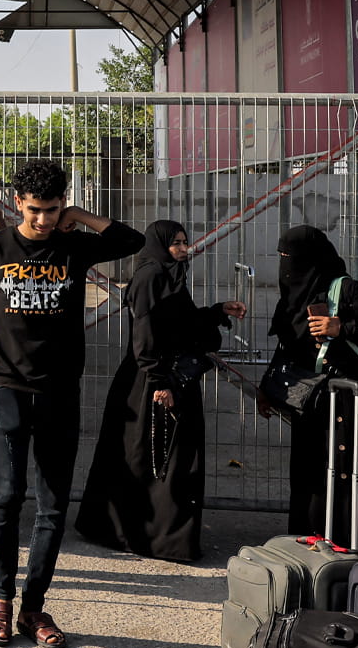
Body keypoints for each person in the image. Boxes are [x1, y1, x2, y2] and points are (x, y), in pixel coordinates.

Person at [0, 159, 144, 648]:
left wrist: (80, 215)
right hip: (5, 385)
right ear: (18, 203)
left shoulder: (73, 246)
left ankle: (33, 606)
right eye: (35, 210)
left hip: (60, 390)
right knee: (8, 495)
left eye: (52, 210)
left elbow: (132, 242)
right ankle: (1, 597)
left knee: (53, 505)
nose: (43, 220)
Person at [76, 221, 246, 563]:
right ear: (159, 245)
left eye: (185, 242)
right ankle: (149, 537)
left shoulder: (169, 277)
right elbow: (145, 337)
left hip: (165, 377)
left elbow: (177, 322)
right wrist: (160, 382)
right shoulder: (150, 277)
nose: (184, 249)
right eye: (176, 244)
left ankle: (158, 536)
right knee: (155, 459)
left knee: (163, 460)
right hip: (151, 382)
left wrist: (216, 311)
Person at [266, 225, 358, 556]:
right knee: (310, 473)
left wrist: (341, 328)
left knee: (351, 473)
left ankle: (357, 542)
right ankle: (311, 541)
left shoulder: (346, 289)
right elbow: (286, 346)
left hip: (349, 400)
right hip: (309, 402)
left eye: (291, 258)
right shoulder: (291, 297)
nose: (286, 264)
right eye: (282, 257)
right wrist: (267, 389)